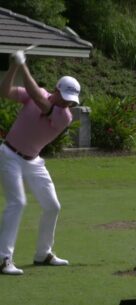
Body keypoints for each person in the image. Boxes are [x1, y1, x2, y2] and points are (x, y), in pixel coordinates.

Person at [0, 49, 80, 275]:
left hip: (33, 161)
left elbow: (38, 98)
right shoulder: (40, 95)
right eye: (65, 98)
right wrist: (14, 66)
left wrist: (24, 65)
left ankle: (43, 254)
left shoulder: (64, 116)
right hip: (9, 155)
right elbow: (4, 91)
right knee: (17, 203)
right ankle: (3, 259)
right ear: (56, 91)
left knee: (52, 206)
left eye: (72, 101)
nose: (68, 104)